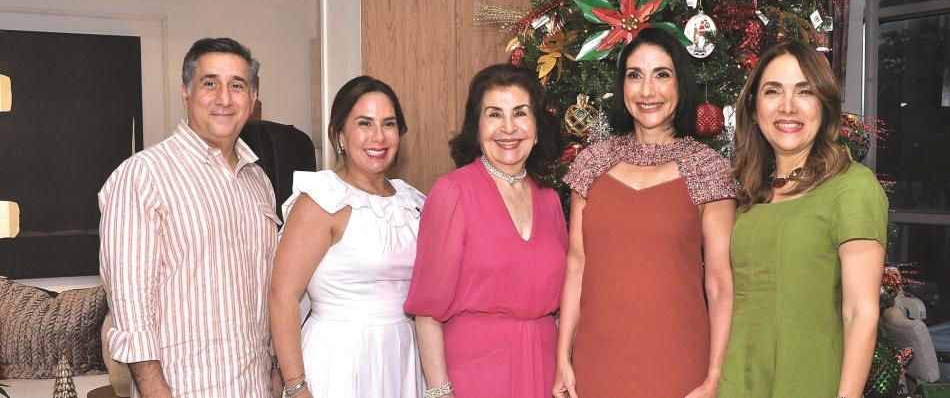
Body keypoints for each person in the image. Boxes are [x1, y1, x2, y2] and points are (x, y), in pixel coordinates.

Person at [556, 27, 737, 398]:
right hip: (597, 365)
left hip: (679, 367)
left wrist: (714, 377)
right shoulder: (592, 164)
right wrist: (562, 358)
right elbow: (576, 266)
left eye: (662, 75)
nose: (647, 90)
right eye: (635, 75)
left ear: (680, 85)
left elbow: (720, 285)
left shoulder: (707, 169)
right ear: (622, 87)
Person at [99, 38, 281, 398]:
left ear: (254, 97)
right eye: (209, 83)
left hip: (254, 386)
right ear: (186, 91)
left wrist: (273, 368)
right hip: (184, 389)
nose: (224, 98)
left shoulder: (258, 180)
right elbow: (131, 307)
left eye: (237, 85)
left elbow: (265, 289)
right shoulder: (143, 176)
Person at [718, 41, 887, 398]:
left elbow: (861, 312)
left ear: (824, 107)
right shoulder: (751, 193)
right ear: (753, 108)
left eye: (804, 91)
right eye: (772, 91)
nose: (788, 107)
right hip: (738, 383)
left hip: (809, 382)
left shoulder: (853, 188)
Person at [404, 64, 567, 398]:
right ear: (477, 129)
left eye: (520, 113)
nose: (509, 128)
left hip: (543, 371)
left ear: (536, 128)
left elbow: (565, 303)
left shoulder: (550, 201)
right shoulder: (453, 193)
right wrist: (440, 392)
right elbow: (427, 312)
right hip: (474, 376)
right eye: (494, 114)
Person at [268, 76, 426, 398]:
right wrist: (296, 386)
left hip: (405, 356)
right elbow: (282, 296)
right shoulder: (323, 200)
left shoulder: (413, 202)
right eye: (364, 123)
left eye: (389, 123)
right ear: (340, 134)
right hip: (340, 359)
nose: (378, 136)